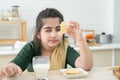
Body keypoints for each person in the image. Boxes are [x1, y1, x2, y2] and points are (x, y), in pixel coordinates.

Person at [0, 8, 93, 79]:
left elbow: (86, 66)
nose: (54, 35)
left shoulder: (64, 48)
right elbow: (14, 64)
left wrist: (80, 39)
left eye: (58, 29)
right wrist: (11, 68)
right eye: (48, 30)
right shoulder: (31, 47)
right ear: (39, 34)